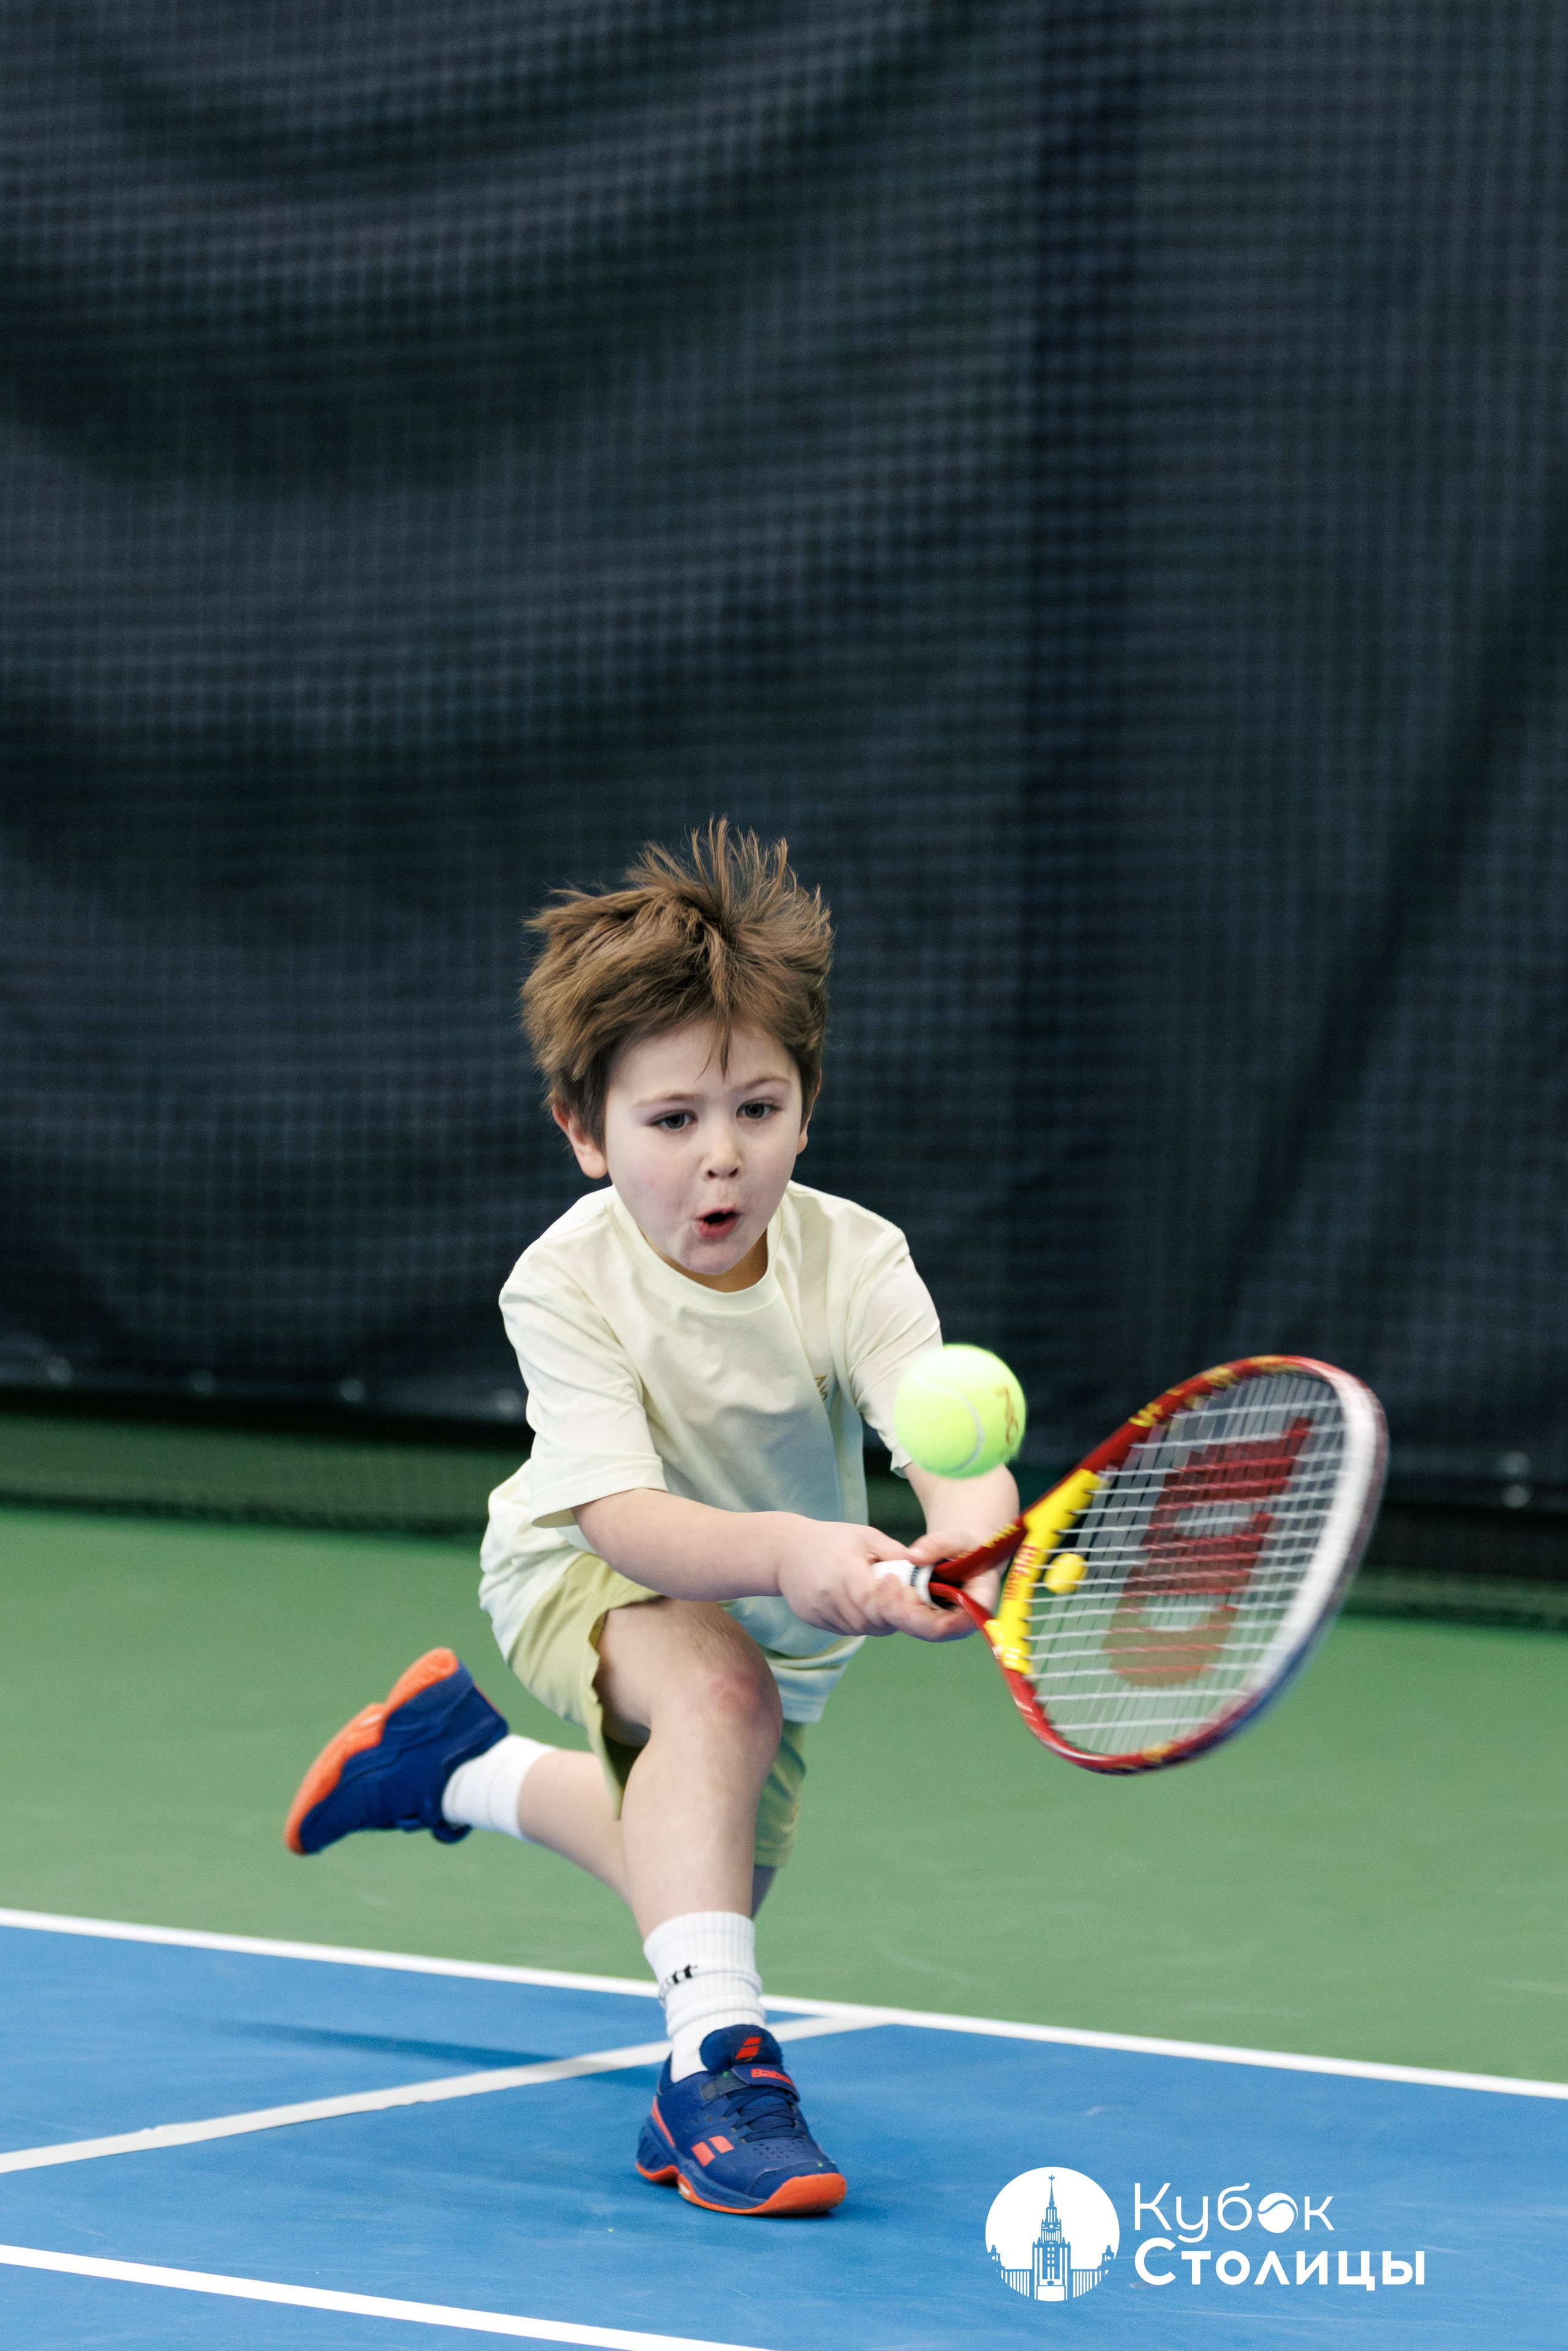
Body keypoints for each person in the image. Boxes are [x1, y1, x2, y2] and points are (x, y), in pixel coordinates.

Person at [285, 822, 1013, 2216]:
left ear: (806, 1105)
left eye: (756, 1108)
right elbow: (620, 1514)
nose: (719, 1158)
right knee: (713, 1708)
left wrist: (964, 1549)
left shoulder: (857, 1259)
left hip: (783, 1629)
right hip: (579, 1571)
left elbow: (945, 1442)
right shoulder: (562, 1281)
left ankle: (447, 1769)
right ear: (584, 1131)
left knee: (695, 1869)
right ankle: (718, 2068)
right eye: (671, 1120)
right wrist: (803, 1557)